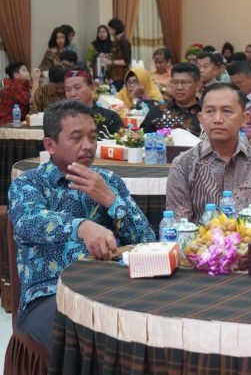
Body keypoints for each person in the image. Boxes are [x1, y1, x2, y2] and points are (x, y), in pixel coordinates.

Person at [8, 100, 155, 349]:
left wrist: (110, 200)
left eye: (93, 137)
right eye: (76, 138)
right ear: (50, 145)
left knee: (149, 331)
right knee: (86, 341)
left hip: (111, 288)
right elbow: (27, 222)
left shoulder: (108, 181)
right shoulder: (29, 184)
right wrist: (82, 226)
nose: (88, 146)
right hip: (50, 295)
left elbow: (147, 240)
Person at [167, 83, 251, 223]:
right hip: (200, 243)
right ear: (201, 118)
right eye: (210, 111)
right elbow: (180, 226)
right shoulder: (183, 165)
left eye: (227, 111)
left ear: (244, 118)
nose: (218, 119)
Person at [141, 62, 203, 136]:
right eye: (175, 82)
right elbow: (142, 141)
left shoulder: (206, 113)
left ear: (198, 85)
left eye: (185, 82)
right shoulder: (157, 112)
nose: (179, 87)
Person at [63, 69, 122, 138]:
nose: (72, 94)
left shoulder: (111, 117)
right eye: (68, 90)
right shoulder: (60, 118)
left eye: (77, 88)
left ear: (92, 88)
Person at [101, 17, 131, 90]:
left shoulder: (124, 41)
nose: (109, 31)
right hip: (113, 74)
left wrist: (110, 62)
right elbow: (116, 55)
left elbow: (127, 61)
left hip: (120, 76)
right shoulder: (116, 41)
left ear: (114, 30)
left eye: (109, 29)